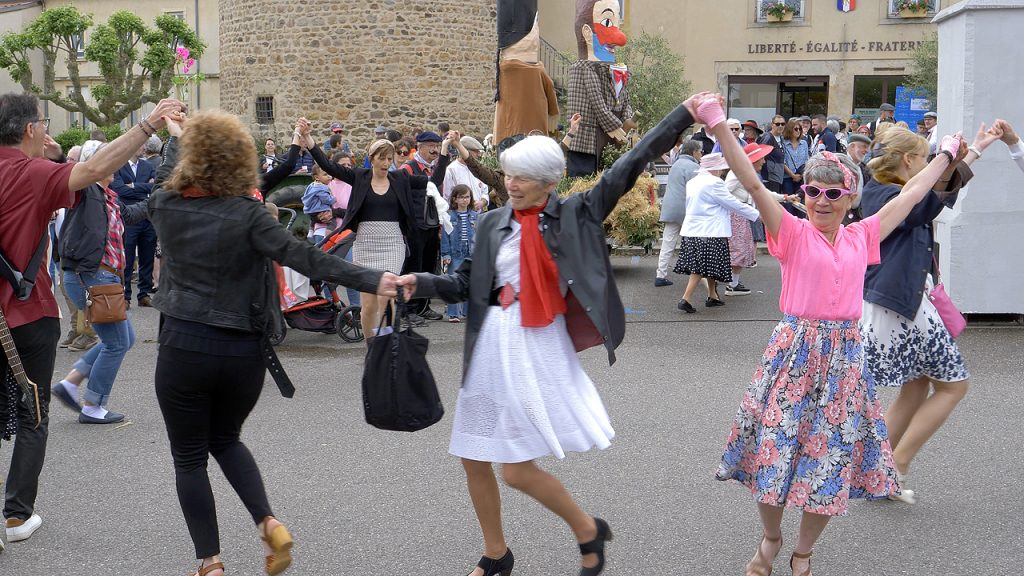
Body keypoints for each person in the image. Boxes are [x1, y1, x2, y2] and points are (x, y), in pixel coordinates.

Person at [396, 94, 700, 576]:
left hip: (534, 348)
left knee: (516, 470)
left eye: (522, 178)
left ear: (548, 182)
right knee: (473, 456)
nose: (511, 184)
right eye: (508, 175)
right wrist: (421, 282)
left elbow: (630, 163)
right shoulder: (493, 223)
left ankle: (587, 529)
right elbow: (465, 282)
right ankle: (496, 555)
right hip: (490, 347)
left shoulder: (577, 214)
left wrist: (684, 115)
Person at [699, 90, 964, 576]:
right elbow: (752, 184)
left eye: (833, 194)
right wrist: (717, 123)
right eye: (813, 192)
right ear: (803, 195)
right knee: (774, 454)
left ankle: (803, 552)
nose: (821, 201)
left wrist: (945, 154)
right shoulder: (792, 232)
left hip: (844, 360)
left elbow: (911, 194)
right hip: (793, 354)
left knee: (828, 464)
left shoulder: (863, 235)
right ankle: (771, 538)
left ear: (849, 198)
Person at [148, 111, 398, 576]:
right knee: (226, 439)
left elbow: (166, 175)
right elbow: (309, 259)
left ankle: (210, 563)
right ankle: (268, 522)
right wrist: (376, 279)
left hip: (184, 345)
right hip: (242, 352)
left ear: (190, 159)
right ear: (242, 160)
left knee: (189, 459)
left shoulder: (166, 206)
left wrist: (176, 136)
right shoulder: (249, 214)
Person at [0, 91, 185, 546]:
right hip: (25, 314)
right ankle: (16, 517)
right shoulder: (31, 173)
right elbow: (96, 168)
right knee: (32, 416)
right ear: (30, 129)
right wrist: (149, 125)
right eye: (43, 123)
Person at [858, 124, 1002, 504]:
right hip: (902, 305)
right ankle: (895, 466)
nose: (929, 165)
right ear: (909, 160)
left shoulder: (885, 189)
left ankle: (876, 470)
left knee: (918, 386)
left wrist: (974, 150)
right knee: (954, 386)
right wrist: (953, 158)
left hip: (900, 302)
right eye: (924, 158)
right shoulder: (885, 193)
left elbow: (934, 195)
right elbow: (928, 201)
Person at [51, 142, 151, 425]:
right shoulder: (86, 190)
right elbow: (66, 174)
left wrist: (160, 195)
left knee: (123, 340)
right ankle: (93, 405)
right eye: (109, 157)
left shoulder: (109, 196)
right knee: (117, 343)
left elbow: (131, 215)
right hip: (91, 276)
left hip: (104, 278)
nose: (115, 161)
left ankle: (70, 383)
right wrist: (58, 154)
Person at [305, 134, 437, 338]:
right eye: (381, 158)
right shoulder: (359, 176)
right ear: (371, 158)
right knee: (368, 306)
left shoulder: (400, 178)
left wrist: (445, 150)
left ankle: (385, 344)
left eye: (389, 158)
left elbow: (434, 180)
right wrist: (309, 140)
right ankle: (372, 347)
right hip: (365, 245)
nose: (386, 163)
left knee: (386, 299)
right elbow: (328, 166)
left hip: (392, 244)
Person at [673, 152, 759, 312]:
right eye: (719, 168)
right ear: (714, 169)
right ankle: (685, 299)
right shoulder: (714, 183)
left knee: (707, 264)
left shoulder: (693, 182)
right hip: (710, 230)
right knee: (700, 266)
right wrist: (756, 214)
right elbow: (732, 203)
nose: (721, 171)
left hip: (692, 230)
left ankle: (712, 295)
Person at [400, 130, 454, 321]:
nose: (435, 150)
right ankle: (408, 310)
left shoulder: (433, 169)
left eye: (437, 146)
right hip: (414, 227)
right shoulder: (408, 168)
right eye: (431, 146)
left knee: (429, 268)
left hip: (431, 225)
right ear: (419, 147)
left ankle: (423, 306)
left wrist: (440, 224)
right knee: (413, 267)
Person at [724, 143, 774, 296]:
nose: (764, 161)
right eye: (761, 158)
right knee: (738, 250)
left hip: (742, 215)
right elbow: (724, 193)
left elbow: (762, 193)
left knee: (742, 250)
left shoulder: (746, 173)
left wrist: (785, 198)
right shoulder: (737, 174)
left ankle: (733, 283)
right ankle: (731, 284)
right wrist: (740, 204)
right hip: (736, 216)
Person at [111, 146, 158, 307]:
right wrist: (143, 187)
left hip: (147, 217)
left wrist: (133, 186)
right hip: (128, 217)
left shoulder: (148, 166)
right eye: (140, 144)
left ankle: (143, 294)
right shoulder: (118, 166)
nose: (143, 147)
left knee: (147, 257)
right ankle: (125, 295)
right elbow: (120, 190)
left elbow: (155, 187)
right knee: (127, 258)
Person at [654, 138, 701, 287]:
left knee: (667, 243)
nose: (701, 154)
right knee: (696, 244)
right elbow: (698, 190)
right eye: (700, 152)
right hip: (687, 209)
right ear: (694, 152)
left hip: (670, 208)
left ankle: (660, 275)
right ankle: (699, 276)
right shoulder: (694, 167)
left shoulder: (676, 164)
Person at [440, 184, 477, 322]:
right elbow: (445, 237)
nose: (464, 200)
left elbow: (479, 236)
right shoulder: (449, 216)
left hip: (471, 254)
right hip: (455, 254)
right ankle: (453, 314)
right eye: (461, 197)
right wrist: (446, 254)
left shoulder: (475, 216)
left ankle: (467, 312)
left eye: (467, 197)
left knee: (470, 283)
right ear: (455, 199)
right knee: (454, 282)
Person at [443, 135, 489, 211]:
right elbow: (447, 197)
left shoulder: (479, 169)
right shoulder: (451, 170)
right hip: (459, 216)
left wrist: (482, 202)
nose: (479, 154)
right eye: (476, 151)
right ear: (464, 151)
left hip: (479, 215)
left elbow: (485, 191)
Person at [301, 165, 335, 245]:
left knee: (312, 220)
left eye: (329, 174)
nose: (329, 176)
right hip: (320, 210)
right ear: (317, 177)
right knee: (332, 221)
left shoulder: (312, 185)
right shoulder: (321, 188)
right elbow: (326, 199)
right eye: (325, 175)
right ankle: (328, 235)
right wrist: (333, 199)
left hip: (311, 210)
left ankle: (310, 231)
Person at [757, 115, 786, 194]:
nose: (780, 126)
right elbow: (760, 156)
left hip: (777, 177)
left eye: (783, 124)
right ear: (772, 125)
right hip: (769, 178)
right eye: (777, 124)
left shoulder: (781, 138)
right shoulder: (768, 138)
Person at [781, 118, 809, 195]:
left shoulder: (804, 143)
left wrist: (801, 175)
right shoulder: (783, 144)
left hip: (801, 177)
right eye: (796, 129)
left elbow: (806, 160)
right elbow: (783, 162)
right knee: (788, 200)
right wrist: (793, 175)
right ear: (790, 130)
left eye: (800, 129)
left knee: (800, 199)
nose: (798, 131)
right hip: (787, 177)